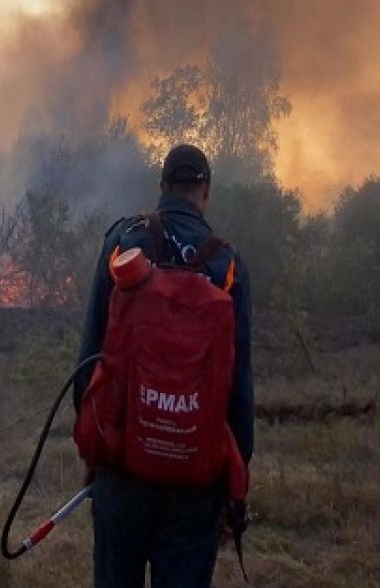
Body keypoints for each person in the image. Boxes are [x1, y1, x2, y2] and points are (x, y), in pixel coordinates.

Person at [74, 143, 254, 588]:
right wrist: (235, 486)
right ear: (206, 191)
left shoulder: (122, 242)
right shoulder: (228, 264)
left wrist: (95, 449)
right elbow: (239, 388)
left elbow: (89, 359)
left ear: (162, 188)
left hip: (123, 469)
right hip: (196, 480)